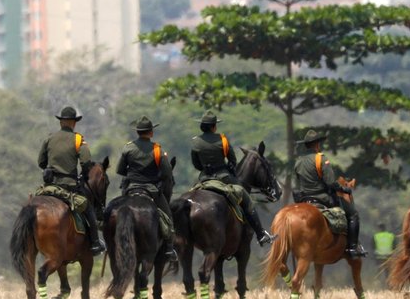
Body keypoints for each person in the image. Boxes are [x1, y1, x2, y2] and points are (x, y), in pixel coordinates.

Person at [190, 111, 272, 246]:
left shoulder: (196, 142)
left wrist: (206, 169)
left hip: (204, 178)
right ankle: (261, 234)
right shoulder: (223, 140)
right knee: (246, 199)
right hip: (224, 176)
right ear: (214, 126)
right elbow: (232, 160)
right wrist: (229, 167)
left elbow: (196, 164)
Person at [37, 106, 105, 255]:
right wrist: (84, 174)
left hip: (50, 186)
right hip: (70, 186)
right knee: (88, 209)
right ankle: (95, 243)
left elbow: (41, 162)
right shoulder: (78, 139)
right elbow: (86, 163)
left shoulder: (49, 138)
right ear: (74, 123)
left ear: (61, 122)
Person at [292, 129, 366, 258]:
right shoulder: (321, 158)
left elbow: (298, 183)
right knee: (353, 214)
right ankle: (353, 248)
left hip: (304, 199)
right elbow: (331, 182)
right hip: (322, 198)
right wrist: (345, 189)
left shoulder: (298, 161)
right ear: (317, 144)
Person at [116, 116, 177, 260]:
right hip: (152, 190)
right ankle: (169, 248)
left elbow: (120, 170)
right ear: (151, 133)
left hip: (130, 188)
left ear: (137, 132)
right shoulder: (157, 150)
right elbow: (167, 174)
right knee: (168, 218)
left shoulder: (128, 148)